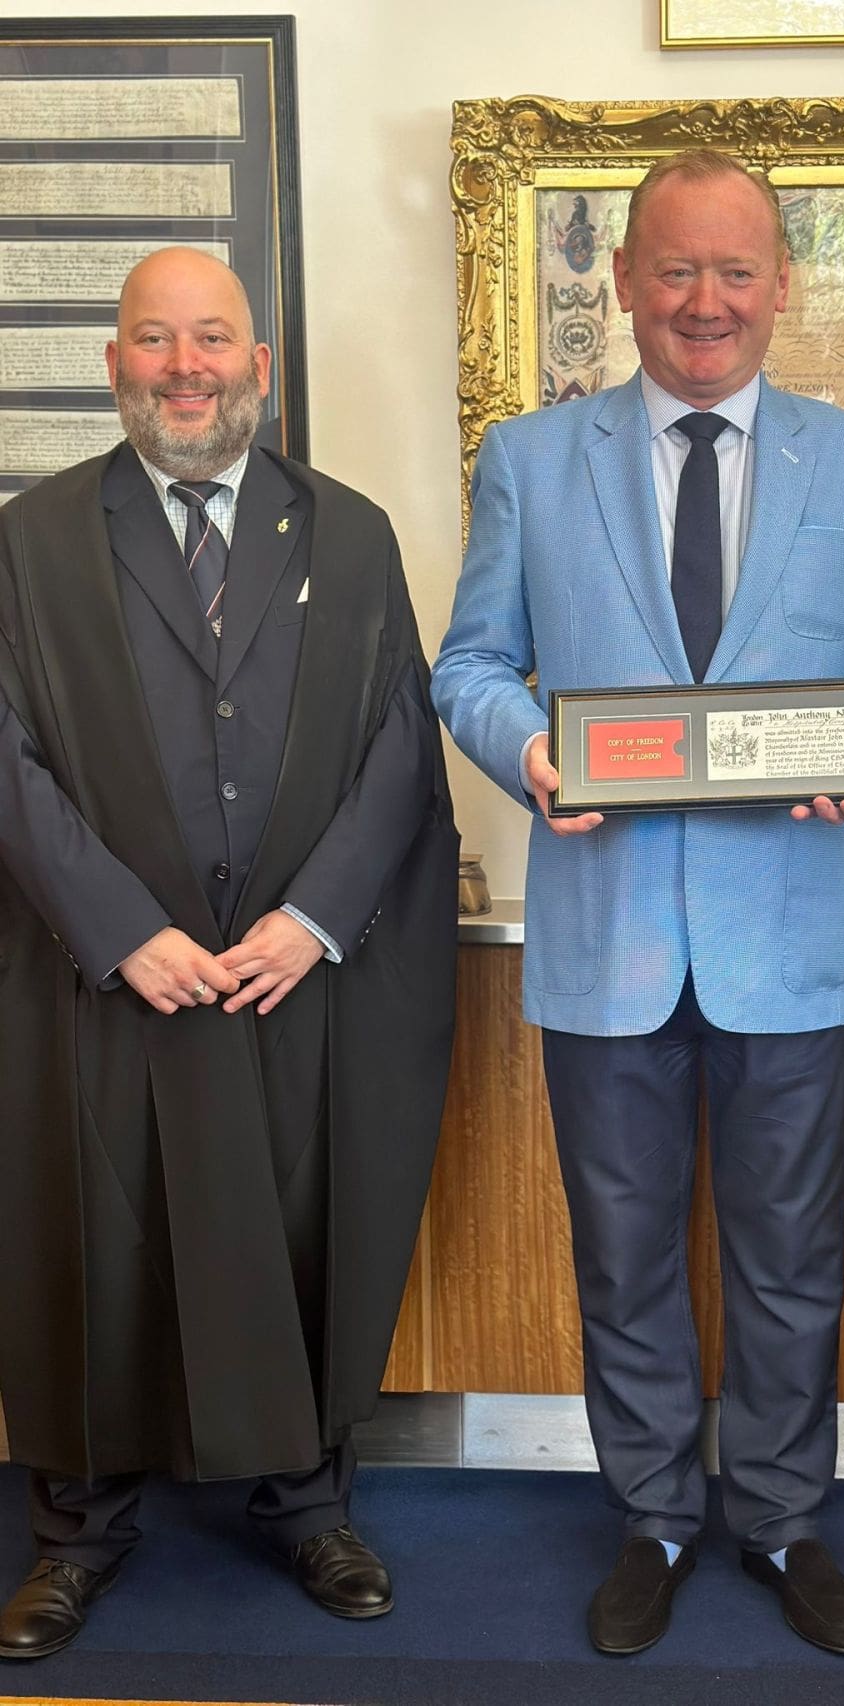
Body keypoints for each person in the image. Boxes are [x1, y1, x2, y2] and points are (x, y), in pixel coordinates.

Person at [432, 149, 844, 1657]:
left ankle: (779, 1518)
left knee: (793, 1259)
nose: (704, 303)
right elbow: (470, 665)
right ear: (622, 282)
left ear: (782, 286)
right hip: (607, 948)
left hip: (786, 948)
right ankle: (652, 1512)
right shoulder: (531, 457)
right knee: (625, 1250)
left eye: (735, 272)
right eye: (674, 269)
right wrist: (527, 749)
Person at [0, 248, 458, 1659]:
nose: (185, 366)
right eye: (155, 339)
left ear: (262, 364)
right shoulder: (34, 540)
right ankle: (77, 1527)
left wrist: (310, 918)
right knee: (95, 1233)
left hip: (286, 976)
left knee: (304, 1217)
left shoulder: (351, 533)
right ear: (113, 365)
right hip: (108, 981)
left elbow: (400, 742)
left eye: (213, 340)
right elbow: (4, 754)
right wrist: (121, 926)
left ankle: (307, 1498)